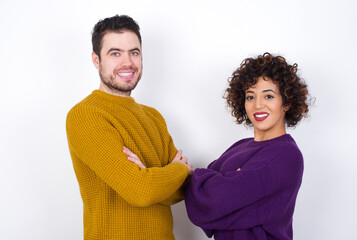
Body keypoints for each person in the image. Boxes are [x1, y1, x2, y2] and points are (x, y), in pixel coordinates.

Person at [66, 15, 193, 240]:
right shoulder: (85, 114)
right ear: (96, 60)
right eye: (115, 53)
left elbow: (183, 190)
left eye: (134, 52)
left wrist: (150, 177)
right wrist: (177, 170)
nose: (127, 63)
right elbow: (141, 192)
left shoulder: (154, 117)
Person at [184, 53, 310, 239]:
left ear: (287, 102)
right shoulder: (240, 147)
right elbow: (204, 205)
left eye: (268, 96)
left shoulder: (287, 154)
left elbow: (215, 200)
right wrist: (221, 183)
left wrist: (209, 180)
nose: (258, 105)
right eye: (250, 97)